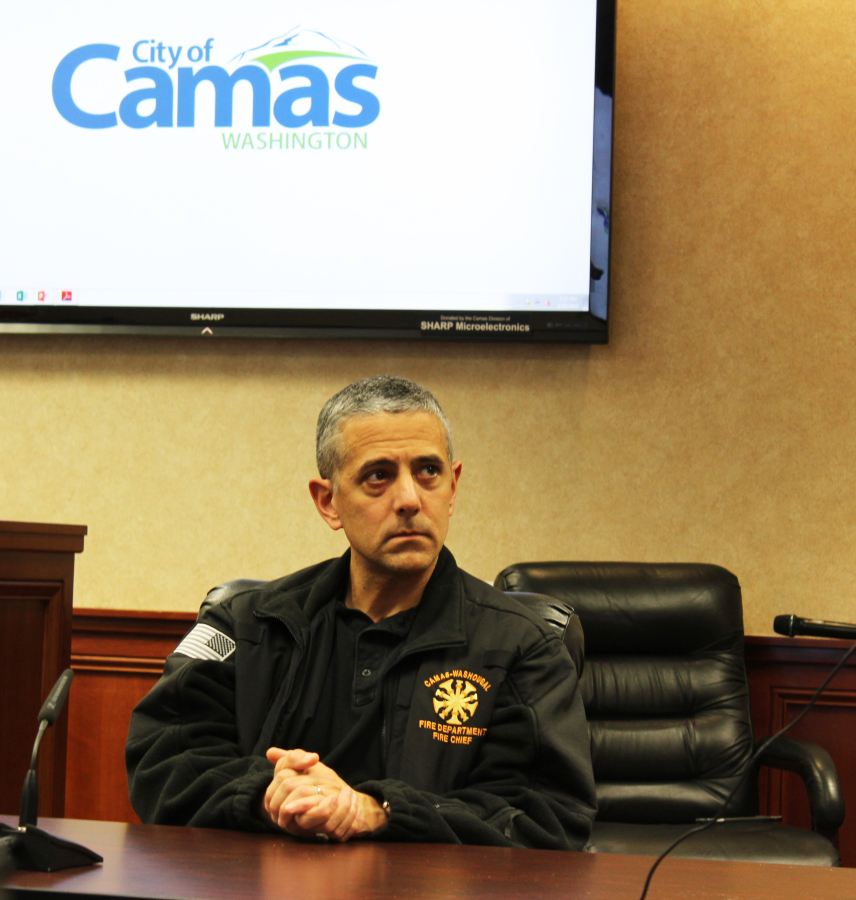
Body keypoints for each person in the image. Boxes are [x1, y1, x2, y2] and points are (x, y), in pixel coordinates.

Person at [126, 375, 596, 848]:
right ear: (328, 502)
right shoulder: (244, 624)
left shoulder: (523, 646)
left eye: (428, 471)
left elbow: (546, 817)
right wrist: (269, 795)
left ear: (453, 489)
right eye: (379, 476)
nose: (410, 499)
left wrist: (378, 811)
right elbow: (163, 763)